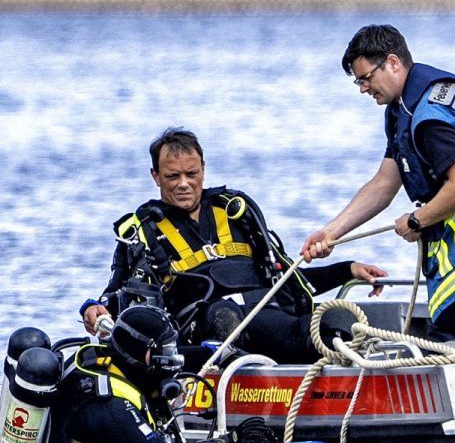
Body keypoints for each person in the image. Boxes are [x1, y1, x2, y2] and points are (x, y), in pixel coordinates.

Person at [302, 24, 455, 340]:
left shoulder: (429, 118)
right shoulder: (406, 108)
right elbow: (384, 183)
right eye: (358, 81)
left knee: (450, 330)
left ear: (394, 62)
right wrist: (331, 232)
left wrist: (416, 220)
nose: (362, 89)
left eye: (366, 78)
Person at [80, 128, 387, 365]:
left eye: (192, 174)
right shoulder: (142, 232)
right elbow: (117, 293)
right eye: (173, 177)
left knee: (328, 324)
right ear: (156, 176)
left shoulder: (236, 214)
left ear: (203, 169)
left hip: (265, 316)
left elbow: (290, 279)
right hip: (203, 336)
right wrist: (94, 307)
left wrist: (347, 270)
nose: (184, 184)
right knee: (224, 313)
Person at [42, 305, 275, 443]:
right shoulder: (109, 401)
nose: (169, 359)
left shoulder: (117, 360)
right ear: (138, 352)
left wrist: (214, 354)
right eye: (163, 351)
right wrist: (229, 441)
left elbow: (169, 357)